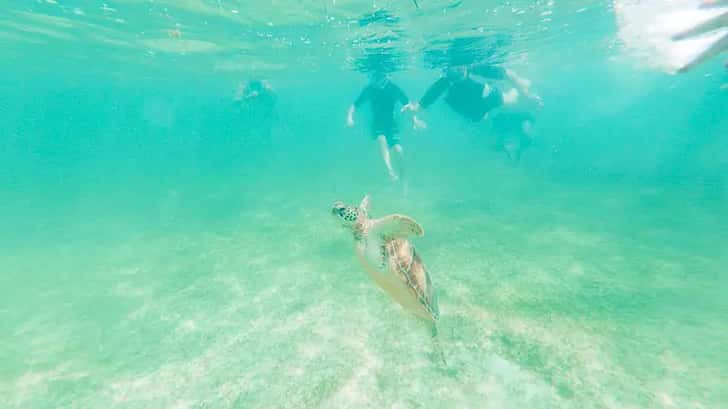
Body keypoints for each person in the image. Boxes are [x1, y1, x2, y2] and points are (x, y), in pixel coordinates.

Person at [402, 63, 539, 123]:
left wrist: (526, 95)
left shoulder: (476, 69)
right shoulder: (445, 81)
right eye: (451, 71)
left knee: (511, 99)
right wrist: (414, 108)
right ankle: (520, 88)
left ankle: (523, 85)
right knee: (477, 118)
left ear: (465, 68)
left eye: (459, 70)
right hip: (472, 110)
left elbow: (508, 74)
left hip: (489, 98)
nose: (455, 74)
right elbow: (425, 101)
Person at [347, 72, 420, 183]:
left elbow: (408, 104)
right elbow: (355, 105)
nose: (378, 82)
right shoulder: (369, 89)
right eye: (375, 79)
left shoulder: (392, 88)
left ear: (386, 77)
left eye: (380, 78)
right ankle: (390, 172)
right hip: (377, 123)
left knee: (398, 150)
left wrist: (414, 121)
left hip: (391, 123)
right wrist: (349, 118)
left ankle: (403, 179)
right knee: (381, 139)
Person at [233, 79, 278, 144]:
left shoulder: (266, 87)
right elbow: (236, 101)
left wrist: (260, 94)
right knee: (247, 129)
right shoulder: (243, 87)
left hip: (263, 114)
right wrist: (243, 99)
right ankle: (245, 141)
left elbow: (274, 98)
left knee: (265, 129)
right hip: (250, 113)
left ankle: (265, 141)